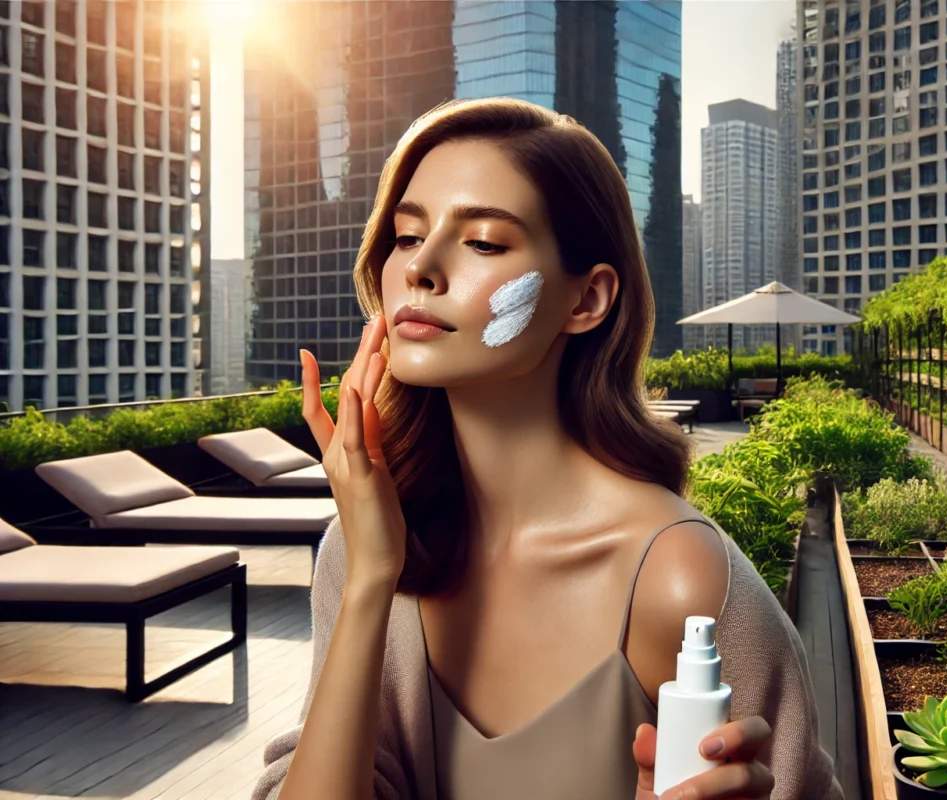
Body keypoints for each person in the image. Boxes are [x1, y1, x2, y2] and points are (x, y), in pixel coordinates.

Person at [252, 97, 842, 800]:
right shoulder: (358, 550)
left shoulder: (679, 579)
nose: (422, 269)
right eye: (407, 237)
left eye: (484, 243)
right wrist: (372, 576)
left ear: (586, 300)